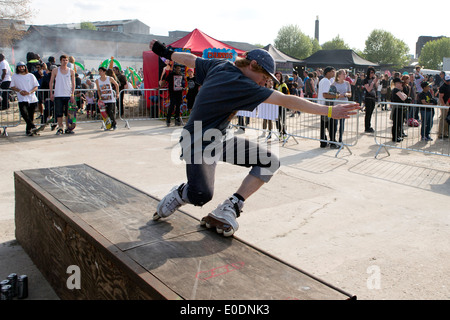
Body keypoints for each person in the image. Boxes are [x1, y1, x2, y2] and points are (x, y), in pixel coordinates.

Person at [149, 40, 359, 237]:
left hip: (220, 138)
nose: (266, 81)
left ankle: (231, 206)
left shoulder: (220, 64)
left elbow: (191, 60)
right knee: (201, 195)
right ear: (253, 65)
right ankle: (181, 193)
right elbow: (287, 100)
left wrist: (165, 52)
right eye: (265, 76)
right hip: (196, 141)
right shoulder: (244, 85)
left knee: (269, 161)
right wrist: (329, 111)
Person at [9, 62, 43, 136]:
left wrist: (30, 92)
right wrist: (20, 91)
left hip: (32, 98)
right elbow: (12, 86)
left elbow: (36, 86)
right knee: (24, 114)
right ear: (17, 68)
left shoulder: (31, 75)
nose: (21, 68)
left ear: (25, 67)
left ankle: (29, 130)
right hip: (22, 98)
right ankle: (33, 126)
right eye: (19, 67)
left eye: (22, 67)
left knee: (31, 115)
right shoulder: (15, 76)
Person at [49, 55, 76, 135]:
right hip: (58, 94)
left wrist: (72, 94)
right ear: (60, 61)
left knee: (68, 113)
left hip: (68, 94)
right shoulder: (55, 70)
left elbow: (73, 83)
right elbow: (51, 82)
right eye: (63, 60)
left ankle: (69, 127)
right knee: (59, 112)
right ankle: (60, 127)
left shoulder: (71, 71)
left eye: (66, 60)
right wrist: (51, 93)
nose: (65, 62)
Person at [330, 69, 352, 145]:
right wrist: (338, 95)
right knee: (335, 123)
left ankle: (340, 139)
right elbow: (331, 95)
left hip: (344, 105)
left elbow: (350, 94)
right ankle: (333, 139)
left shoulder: (347, 83)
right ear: (339, 75)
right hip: (336, 105)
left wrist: (346, 94)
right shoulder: (334, 84)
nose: (345, 75)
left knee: (342, 123)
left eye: (345, 74)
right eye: (343, 74)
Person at [318, 66, 336, 148]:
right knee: (330, 124)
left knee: (324, 124)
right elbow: (325, 94)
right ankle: (331, 142)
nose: (334, 73)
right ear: (328, 72)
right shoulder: (326, 81)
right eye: (332, 71)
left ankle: (324, 142)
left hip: (323, 106)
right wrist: (336, 96)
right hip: (326, 106)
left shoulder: (324, 80)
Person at [390, 78, 410, 142]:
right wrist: (403, 94)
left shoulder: (399, 90)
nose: (401, 84)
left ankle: (398, 135)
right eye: (400, 83)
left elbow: (406, 96)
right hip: (397, 108)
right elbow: (403, 98)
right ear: (396, 84)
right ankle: (395, 137)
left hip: (400, 108)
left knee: (399, 122)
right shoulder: (395, 90)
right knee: (396, 123)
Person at [363, 67, 378, 133]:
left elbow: (376, 88)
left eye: (373, 72)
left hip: (373, 97)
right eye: (371, 72)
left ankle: (369, 125)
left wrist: (376, 82)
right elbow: (368, 89)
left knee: (371, 113)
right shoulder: (366, 80)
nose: (372, 74)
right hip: (368, 97)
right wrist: (372, 83)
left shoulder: (373, 79)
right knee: (368, 113)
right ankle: (367, 127)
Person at [437, 75, 450, 139]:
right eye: (447, 81)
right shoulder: (442, 87)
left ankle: (446, 132)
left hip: (448, 103)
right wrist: (444, 105)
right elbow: (440, 97)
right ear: (444, 80)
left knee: (447, 119)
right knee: (443, 118)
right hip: (444, 103)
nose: (448, 82)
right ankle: (440, 133)